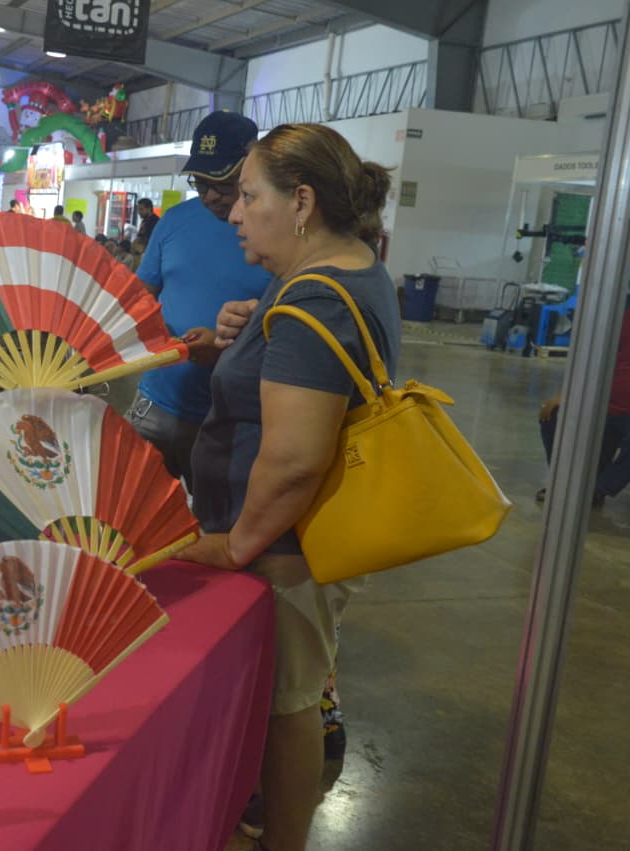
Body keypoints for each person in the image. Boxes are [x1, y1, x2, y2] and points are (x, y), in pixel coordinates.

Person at [179, 123, 399, 851]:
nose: (234, 213)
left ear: (300, 200)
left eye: (248, 196)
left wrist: (236, 544)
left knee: (289, 705)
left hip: (281, 545)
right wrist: (249, 334)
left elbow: (297, 458)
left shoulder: (320, 299)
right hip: (279, 538)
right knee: (284, 698)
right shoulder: (324, 275)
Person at [127, 111, 270, 494]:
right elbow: (141, 297)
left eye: (221, 183)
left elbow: (285, 329)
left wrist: (228, 351)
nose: (209, 195)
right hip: (157, 403)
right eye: (200, 182)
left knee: (216, 529)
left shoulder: (273, 234)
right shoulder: (174, 221)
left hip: (232, 418)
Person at [537, 304, 630, 507]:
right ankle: (561, 482)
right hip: (599, 405)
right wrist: (564, 394)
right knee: (552, 415)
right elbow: (586, 356)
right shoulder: (614, 315)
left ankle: (598, 489)